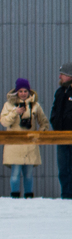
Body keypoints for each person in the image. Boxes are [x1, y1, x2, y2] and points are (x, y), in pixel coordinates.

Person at [0, 78, 49, 198]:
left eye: (25, 91)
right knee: (15, 173)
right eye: (20, 91)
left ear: (29, 91)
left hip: (30, 145)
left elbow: (44, 122)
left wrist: (39, 135)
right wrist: (15, 112)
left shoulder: (35, 105)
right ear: (16, 92)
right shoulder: (8, 105)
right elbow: (4, 122)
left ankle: (29, 196)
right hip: (14, 145)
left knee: (28, 174)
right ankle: (15, 197)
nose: (23, 93)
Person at [52, 63, 72, 199]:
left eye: (63, 74)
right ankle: (66, 196)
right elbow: (54, 112)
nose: (60, 77)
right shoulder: (60, 92)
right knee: (63, 168)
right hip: (61, 137)